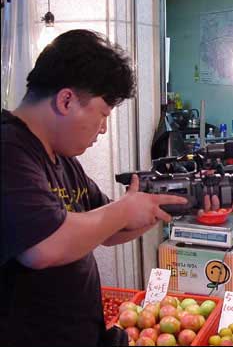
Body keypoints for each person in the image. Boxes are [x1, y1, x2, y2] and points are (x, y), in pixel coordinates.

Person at [0, 29, 187, 346]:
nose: (102, 128)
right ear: (66, 100)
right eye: (103, 114)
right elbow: (42, 248)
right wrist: (126, 208)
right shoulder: (10, 149)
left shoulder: (61, 158)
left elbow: (108, 229)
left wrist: (158, 208)